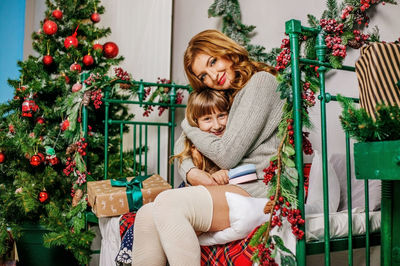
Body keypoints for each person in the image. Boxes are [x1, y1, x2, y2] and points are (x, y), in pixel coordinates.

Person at [132, 29, 284, 266]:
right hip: (234, 185)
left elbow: (227, 155)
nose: (213, 75)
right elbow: (182, 145)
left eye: (213, 61)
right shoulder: (229, 94)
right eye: (203, 76)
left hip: (259, 188)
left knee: (168, 203)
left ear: (227, 51)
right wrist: (192, 172)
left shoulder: (261, 82)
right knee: (145, 216)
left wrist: (187, 122)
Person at [172, 89, 232, 185]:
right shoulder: (193, 147)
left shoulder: (233, 139)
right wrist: (214, 176)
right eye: (207, 119)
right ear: (196, 122)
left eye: (221, 116)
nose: (217, 126)